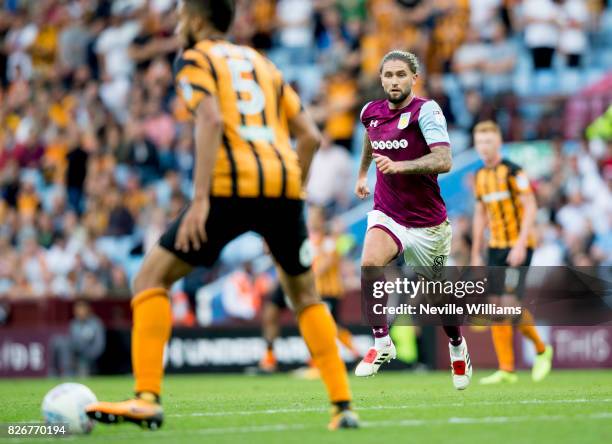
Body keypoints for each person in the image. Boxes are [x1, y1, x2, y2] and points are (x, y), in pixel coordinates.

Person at [85, 0, 357, 431]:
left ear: (195, 19)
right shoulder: (262, 63)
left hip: (231, 186)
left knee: (149, 279)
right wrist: (292, 196)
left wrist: (199, 199)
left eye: (179, 16)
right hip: (282, 186)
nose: (176, 23)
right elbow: (309, 136)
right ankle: (342, 407)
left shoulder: (194, 59)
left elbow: (209, 119)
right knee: (305, 297)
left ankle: (147, 397)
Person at [353, 50, 472, 391]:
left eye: (400, 75)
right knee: (370, 263)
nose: (394, 81)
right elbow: (369, 138)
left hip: (427, 222)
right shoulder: (370, 113)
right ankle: (381, 342)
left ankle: (456, 345)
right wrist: (363, 173)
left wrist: (400, 166)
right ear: (381, 79)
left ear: (413, 78)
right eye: (388, 75)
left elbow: (445, 159)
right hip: (388, 211)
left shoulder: (427, 110)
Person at [470, 120, 554, 384]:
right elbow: (480, 213)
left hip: (519, 245)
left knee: (510, 305)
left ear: (499, 143)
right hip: (495, 246)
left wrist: (519, 243)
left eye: (488, 141)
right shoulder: (481, 177)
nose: (484, 146)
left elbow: (530, 206)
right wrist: (475, 251)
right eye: (480, 142)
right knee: (496, 307)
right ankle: (506, 369)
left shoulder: (514, 172)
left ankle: (542, 350)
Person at [257, 207, 360, 374]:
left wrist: (303, 275)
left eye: (314, 216)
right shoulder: (305, 237)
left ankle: (349, 356)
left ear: (321, 220)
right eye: (310, 215)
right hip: (304, 286)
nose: (311, 219)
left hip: (326, 290)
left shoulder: (328, 240)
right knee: (274, 312)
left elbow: (325, 264)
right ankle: (271, 357)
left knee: (327, 326)